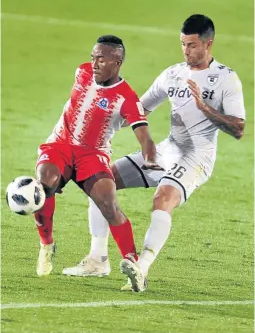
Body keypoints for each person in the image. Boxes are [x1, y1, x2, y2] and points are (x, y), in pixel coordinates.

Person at [62, 15, 246, 292]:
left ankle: (141, 268)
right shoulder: (172, 74)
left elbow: (238, 128)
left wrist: (204, 107)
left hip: (197, 156)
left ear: (209, 44)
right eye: (183, 44)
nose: (186, 51)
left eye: (193, 45)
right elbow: (137, 110)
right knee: (102, 180)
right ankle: (98, 259)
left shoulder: (225, 79)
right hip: (168, 149)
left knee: (163, 199)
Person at [35, 35, 163, 277]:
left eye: (101, 60)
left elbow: (144, 136)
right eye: (92, 58)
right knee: (43, 184)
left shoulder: (126, 97)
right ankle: (46, 244)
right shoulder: (82, 72)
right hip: (60, 144)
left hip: (92, 153)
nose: (94, 64)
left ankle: (134, 267)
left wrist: (150, 159)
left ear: (117, 62)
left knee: (107, 202)